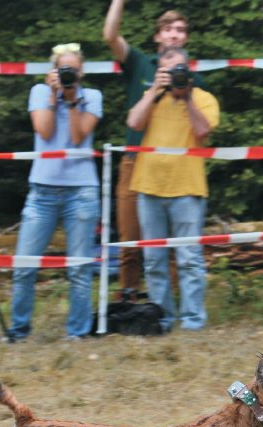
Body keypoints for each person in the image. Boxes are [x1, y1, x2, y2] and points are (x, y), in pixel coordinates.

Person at [6, 44, 102, 341]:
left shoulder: (93, 97)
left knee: (79, 268)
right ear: (53, 72)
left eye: (73, 70)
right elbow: (44, 132)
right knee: (24, 264)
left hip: (81, 191)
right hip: (42, 190)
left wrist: (72, 101)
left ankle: (77, 332)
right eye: (63, 69)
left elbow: (76, 137)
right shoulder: (39, 92)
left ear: (81, 71)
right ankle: (19, 330)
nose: (68, 75)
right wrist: (53, 95)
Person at [104, 2, 196, 296]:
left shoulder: (192, 77)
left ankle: (166, 305)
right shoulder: (142, 64)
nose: (174, 35)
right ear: (158, 36)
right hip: (135, 160)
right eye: (168, 29)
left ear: (186, 39)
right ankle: (129, 301)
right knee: (130, 239)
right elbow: (110, 36)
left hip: (174, 165)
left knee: (170, 243)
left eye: (180, 30)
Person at [127, 47, 219, 331]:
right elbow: (133, 122)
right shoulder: (151, 97)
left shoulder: (203, 98)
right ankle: (162, 319)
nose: (176, 75)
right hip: (149, 186)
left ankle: (192, 321)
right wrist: (155, 88)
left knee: (189, 258)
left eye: (180, 69)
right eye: (169, 70)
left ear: (190, 71)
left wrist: (188, 96)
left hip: (187, 188)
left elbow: (203, 132)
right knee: (154, 261)